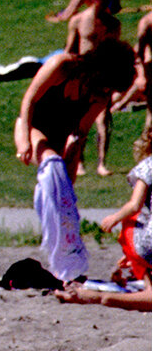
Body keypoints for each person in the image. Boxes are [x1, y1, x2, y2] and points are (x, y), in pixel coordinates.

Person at [14, 41, 136, 285]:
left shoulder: (99, 96)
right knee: (52, 167)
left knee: (63, 196)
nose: (106, 90)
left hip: (60, 137)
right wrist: (24, 144)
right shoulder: (62, 66)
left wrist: (68, 184)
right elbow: (29, 100)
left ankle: (65, 262)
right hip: (32, 126)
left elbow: (79, 134)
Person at [57, 127, 152, 312]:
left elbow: (135, 205)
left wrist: (114, 218)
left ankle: (117, 291)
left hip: (147, 240)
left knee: (133, 221)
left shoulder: (150, 164)